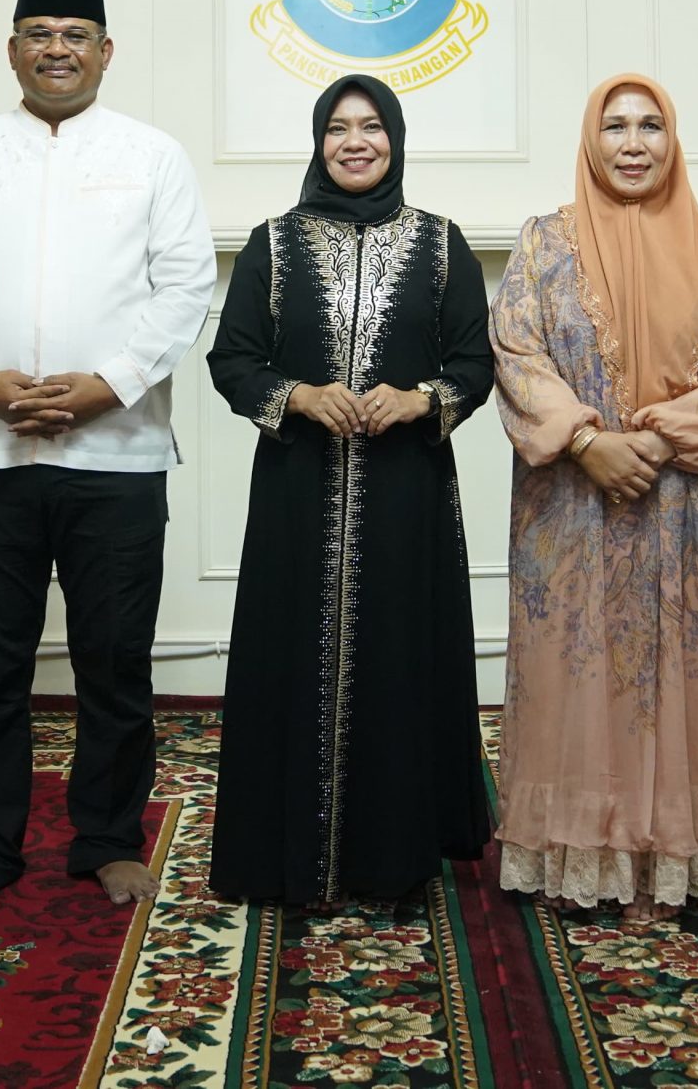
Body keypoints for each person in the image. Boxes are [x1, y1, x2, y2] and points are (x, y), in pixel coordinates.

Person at [0, 0, 212, 913]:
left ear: (106, 51)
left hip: (116, 456)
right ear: (12, 49)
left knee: (115, 663)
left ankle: (109, 839)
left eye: (76, 33)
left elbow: (184, 287)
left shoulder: (153, 155)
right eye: (38, 31)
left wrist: (102, 387)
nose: (57, 49)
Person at [207, 75, 494, 907]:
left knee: (400, 661)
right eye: (338, 128)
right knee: (289, 659)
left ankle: (389, 858)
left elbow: (475, 362)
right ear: (318, 141)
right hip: (297, 493)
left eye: (372, 127)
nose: (356, 142)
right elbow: (234, 360)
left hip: (406, 497)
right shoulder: (275, 242)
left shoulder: (441, 244)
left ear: (396, 139)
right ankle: (281, 857)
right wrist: (297, 396)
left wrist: (421, 400)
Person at [491, 75, 698, 923]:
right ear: (590, 139)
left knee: (675, 673)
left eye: (651, 125)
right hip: (571, 509)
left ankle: (671, 857)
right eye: (615, 126)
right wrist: (587, 441)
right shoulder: (544, 244)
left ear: (673, 139)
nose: (634, 142)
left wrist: (652, 439)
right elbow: (515, 352)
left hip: (683, 506)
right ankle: (579, 849)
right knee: (576, 669)